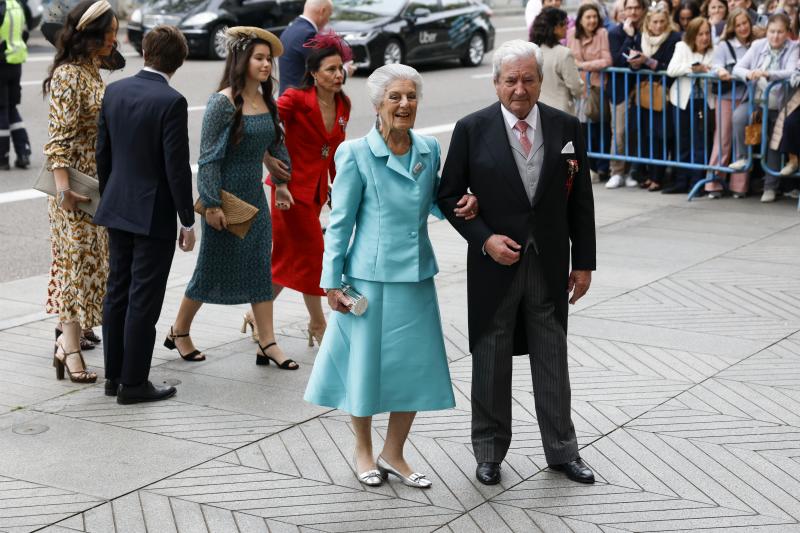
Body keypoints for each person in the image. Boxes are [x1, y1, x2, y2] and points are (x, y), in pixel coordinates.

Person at [304, 64, 478, 489]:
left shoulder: (427, 147)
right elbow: (339, 223)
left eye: (411, 96)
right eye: (395, 97)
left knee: (414, 369)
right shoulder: (356, 154)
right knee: (364, 369)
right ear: (378, 104)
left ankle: (393, 452)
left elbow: (434, 201)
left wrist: (463, 204)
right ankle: (363, 450)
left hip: (417, 275)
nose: (404, 104)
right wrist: (331, 283)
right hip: (369, 280)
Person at [438, 40, 597, 486]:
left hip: (548, 265)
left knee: (553, 360)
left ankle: (563, 452)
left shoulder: (566, 126)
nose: (520, 89)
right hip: (494, 267)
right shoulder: (472, 128)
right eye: (511, 80)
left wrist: (583, 262)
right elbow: (448, 195)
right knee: (490, 360)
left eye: (528, 79)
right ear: (496, 83)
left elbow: (579, 200)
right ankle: (488, 452)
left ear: (540, 81)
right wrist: (484, 239)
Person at [165, 27, 299, 368]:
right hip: (225, 201)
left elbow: (276, 148)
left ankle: (267, 341)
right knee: (209, 271)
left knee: (258, 269)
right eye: (259, 58)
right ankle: (179, 330)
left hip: (255, 198)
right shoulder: (222, 103)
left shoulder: (267, 101)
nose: (267, 65)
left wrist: (282, 184)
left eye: (269, 59)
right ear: (241, 60)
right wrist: (210, 204)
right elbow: (208, 158)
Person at [94, 26, 195, 404]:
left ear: (145, 51)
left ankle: (113, 376)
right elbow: (176, 166)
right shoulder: (171, 101)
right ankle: (134, 383)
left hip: (116, 205)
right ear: (179, 61)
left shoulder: (114, 91)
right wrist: (187, 218)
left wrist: (111, 196)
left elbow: (103, 153)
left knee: (116, 291)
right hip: (152, 212)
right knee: (144, 298)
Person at [255, 32, 352, 348]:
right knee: (316, 257)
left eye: (340, 69)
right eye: (330, 70)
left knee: (285, 262)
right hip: (288, 192)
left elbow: (335, 149)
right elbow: (260, 125)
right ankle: (318, 323)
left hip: (315, 193)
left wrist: (342, 189)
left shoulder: (343, 103)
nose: (338, 75)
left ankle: (256, 315)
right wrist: (268, 159)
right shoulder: (296, 99)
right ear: (313, 73)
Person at [43, 0, 118, 384]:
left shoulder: (90, 70)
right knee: (74, 268)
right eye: (108, 33)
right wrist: (63, 191)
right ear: (89, 34)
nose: (114, 40)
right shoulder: (69, 74)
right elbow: (58, 139)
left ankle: (66, 343)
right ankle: (69, 349)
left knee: (86, 267)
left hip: (95, 186)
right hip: (74, 189)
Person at [730, 13, 798, 201]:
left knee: (773, 142)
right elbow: (737, 68)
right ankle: (744, 157)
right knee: (739, 117)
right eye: (772, 31)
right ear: (766, 31)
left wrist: (768, 73)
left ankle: (770, 186)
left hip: (779, 105)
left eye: (780, 32)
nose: (775, 36)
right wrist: (749, 73)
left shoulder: (794, 48)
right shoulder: (757, 45)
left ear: (787, 33)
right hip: (756, 101)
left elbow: (791, 72)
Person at [629, 1, 681, 191]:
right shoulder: (639, 38)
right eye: (654, 22)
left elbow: (670, 67)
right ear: (648, 24)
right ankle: (647, 175)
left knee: (660, 136)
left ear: (667, 22)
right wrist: (633, 64)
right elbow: (627, 60)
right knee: (644, 135)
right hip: (642, 94)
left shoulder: (675, 38)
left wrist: (648, 62)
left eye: (661, 22)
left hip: (663, 95)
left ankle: (658, 177)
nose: (658, 26)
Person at [705, 8, 753, 198]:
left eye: (745, 23)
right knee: (723, 140)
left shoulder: (756, 45)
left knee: (742, 140)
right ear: (732, 26)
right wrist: (721, 71)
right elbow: (715, 64)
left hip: (747, 97)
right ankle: (713, 183)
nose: (742, 28)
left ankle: (740, 186)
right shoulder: (725, 45)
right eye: (738, 24)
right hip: (726, 98)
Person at [665, 16, 714, 194]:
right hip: (682, 102)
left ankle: (697, 181)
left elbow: (716, 69)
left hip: (704, 102)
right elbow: (671, 70)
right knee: (682, 142)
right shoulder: (682, 47)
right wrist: (693, 68)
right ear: (693, 35)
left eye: (707, 33)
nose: (704, 37)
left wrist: (708, 69)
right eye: (700, 34)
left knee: (700, 143)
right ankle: (681, 181)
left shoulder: (713, 51)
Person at [568, 2, 612, 182]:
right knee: (583, 130)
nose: (592, 20)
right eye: (588, 17)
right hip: (579, 89)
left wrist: (584, 66)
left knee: (600, 126)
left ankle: (602, 167)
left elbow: (607, 60)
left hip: (596, 88)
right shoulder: (572, 34)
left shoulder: (602, 33)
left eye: (595, 17)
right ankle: (589, 166)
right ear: (580, 19)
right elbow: (569, 58)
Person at [607, 0, 647, 189]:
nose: (632, 11)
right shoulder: (615, 32)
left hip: (642, 88)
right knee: (619, 131)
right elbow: (617, 60)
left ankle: (634, 171)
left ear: (643, 9)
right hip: (620, 88)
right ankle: (616, 171)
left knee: (637, 131)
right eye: (629, 8)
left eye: (636, 8)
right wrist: (629, 37)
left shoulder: (648, 29)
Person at [530, 7, 584, 115]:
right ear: (554, 28)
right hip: (560, 111)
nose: (566, 27)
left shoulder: (532, 51)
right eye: (563, 23)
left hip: (536, 110)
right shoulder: (564, 53)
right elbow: (576, 87)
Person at [0, 0, 31, 170]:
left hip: (2, 62)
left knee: (1, 110)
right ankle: (23, 152)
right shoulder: (17, 4)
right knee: (11, 108)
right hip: (16, 62)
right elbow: (25, 32)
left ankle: (2, 157)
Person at [278, 0, 333, 95]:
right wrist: (345, 70)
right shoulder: (308, 34)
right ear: (322, 11)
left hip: (286, 97)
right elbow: (322, 68)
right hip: (299, 102)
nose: (328, 20)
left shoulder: (291, 28)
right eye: (329, 15)